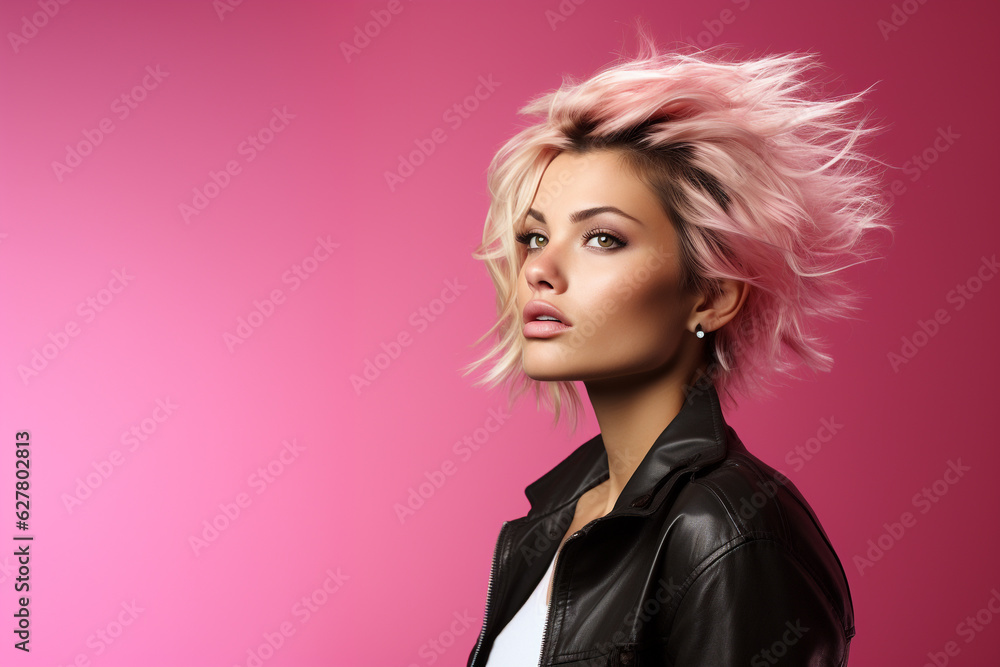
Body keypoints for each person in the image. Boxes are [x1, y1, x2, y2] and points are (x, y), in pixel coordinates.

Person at [461, 33, 892, 667]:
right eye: (532, 236)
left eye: (603, 238)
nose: (539, 270)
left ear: (712, 295)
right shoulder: (560, 512)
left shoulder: (729, 530)